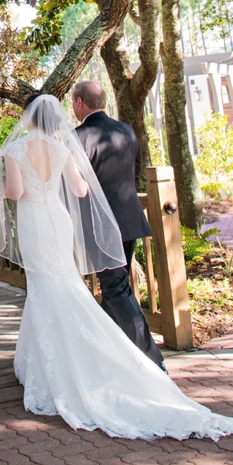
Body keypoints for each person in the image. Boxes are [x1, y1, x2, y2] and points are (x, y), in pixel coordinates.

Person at [0, 94, 233, 440]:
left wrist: (7, 185)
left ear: (28, 118)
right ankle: (60, 358)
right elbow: (81, 190)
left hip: (35, 224)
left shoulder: (16, 149)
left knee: (42, 288)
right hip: (58, 220)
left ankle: (56, 366)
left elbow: (15, 192)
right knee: (64, 285)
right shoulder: (62, 148)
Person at [71, 80, 164, 369]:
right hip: (130, 219)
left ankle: (153, 362)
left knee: (115, 290)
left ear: (79, 103)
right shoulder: (126, 130)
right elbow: (135, 172)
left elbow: (74, 188)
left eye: (73, 102)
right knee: (115, 288)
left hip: (101, 226)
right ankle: (113, 355)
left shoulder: (76, 137)